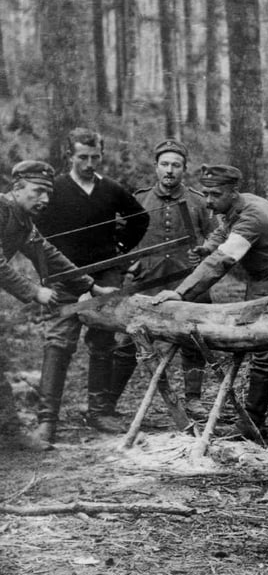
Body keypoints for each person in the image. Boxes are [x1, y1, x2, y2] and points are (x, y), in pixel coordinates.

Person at [152, 164, 268, 436]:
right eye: (205, 193)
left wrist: (181, 292)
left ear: (233, 192)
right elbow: (223, 230)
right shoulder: (238, 205)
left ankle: (251, 422)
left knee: (265, 349)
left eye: (214, 194)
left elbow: (223, 260)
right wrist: (207, 246)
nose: (208, 200)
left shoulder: (252, 215)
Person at [34, 128, 149, 439]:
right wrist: (52, 269)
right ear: (70, 155)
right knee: (59, 341)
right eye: (82, 157)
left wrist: (121, 252)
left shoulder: (111, 189)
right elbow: (37, 236)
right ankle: (47, 419)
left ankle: (99, 412)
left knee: (102, 341)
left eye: (94, 157)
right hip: (65, 277)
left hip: (106, 275)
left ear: (102, 155)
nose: (88, 163)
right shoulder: (55, 189)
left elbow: (140, 218)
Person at [0, 161, 117, 450]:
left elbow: (48, 254)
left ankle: (10, 433)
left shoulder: (21, 218)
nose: (45, 200)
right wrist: (33, 291)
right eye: (38, 191)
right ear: (17, 188)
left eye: (48, 194)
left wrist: (90, 286)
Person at [106, 139, 214, 419]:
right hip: (146, 281)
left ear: (184, 169)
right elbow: (119, 240)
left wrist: (202, 257)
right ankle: (108, 404)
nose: (169, 171)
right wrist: (128, 263)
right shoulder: (138, 200)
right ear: (155, 167)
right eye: (164, 164)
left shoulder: (199, 201)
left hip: (186, 283)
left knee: (194, 338)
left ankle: (193, 400)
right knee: (125, 341)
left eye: (176, 165)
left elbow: (216, 238)